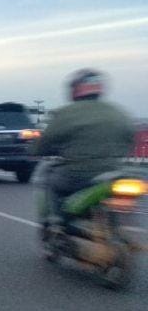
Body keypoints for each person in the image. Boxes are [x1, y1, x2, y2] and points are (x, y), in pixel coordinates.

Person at [33, 69, 135, 224]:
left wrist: (35, 150)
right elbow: (130, 139)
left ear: (75, 90)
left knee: (48, 178)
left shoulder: (66, 113)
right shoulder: (118, 112)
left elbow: (45, 142)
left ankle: (56, 223)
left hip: (78, 174)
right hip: (115, 171)